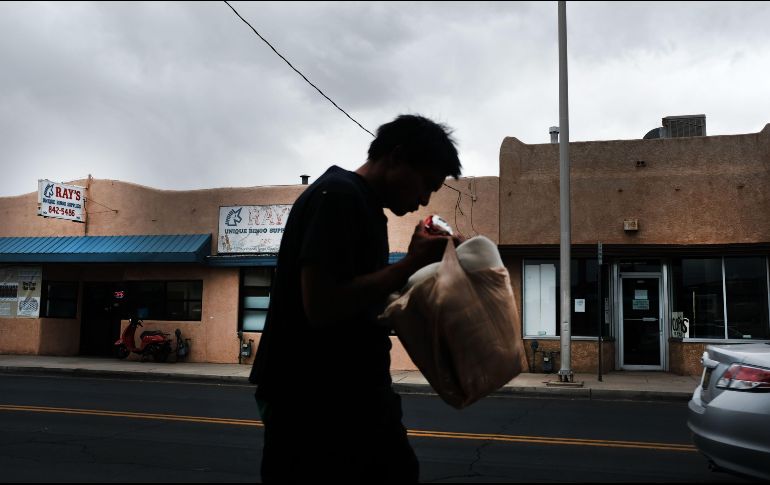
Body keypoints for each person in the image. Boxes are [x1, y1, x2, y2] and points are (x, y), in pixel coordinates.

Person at [249, 114, 462, 482]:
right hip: (317, 402)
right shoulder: (339, 197)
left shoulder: (360, 204)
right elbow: (322, 305)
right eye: (425, 183)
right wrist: (411, 262)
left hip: (349, 395)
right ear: (396, 157)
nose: (424, 199)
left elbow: (360, 299)